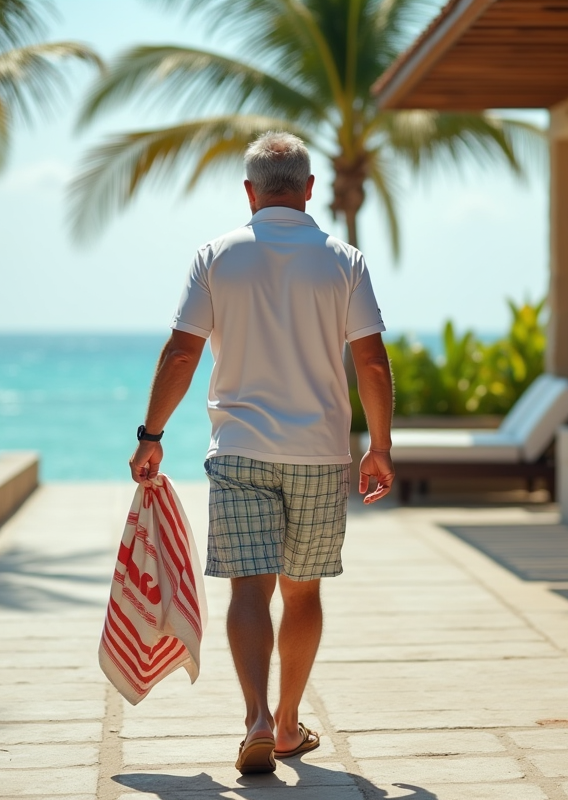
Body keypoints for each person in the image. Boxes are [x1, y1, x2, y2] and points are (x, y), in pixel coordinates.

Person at [127, 131, 395, 774]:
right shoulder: (344, 261)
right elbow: (371, 362)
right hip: (320, 454)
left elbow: (183, 354)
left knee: (249, 592)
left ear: (249, 191)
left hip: (241, 450)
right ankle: (286, 725)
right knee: (302, 595)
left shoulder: (215, 256)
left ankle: (252, 716)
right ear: (309, 189)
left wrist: (151, 435)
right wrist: (379, 448)